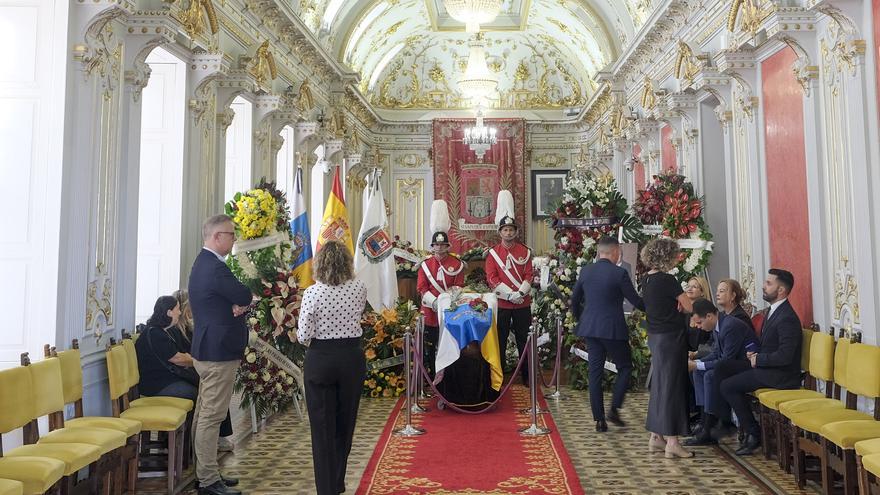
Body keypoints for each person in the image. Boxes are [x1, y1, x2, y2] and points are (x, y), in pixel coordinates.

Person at [188, 214, 253, 495]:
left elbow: (235, 299)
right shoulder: (215, 268)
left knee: (205, 413)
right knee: (211, 416)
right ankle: (207, 480)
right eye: (230, 234)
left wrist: (236, 304)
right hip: (217, 352)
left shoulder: (204, 263)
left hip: (208, 347)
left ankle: (206, 472)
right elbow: (244, 294)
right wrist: (239, 303)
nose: (234, 238)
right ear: (216, 237)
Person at [297, 240, 368, 495]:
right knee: (344, 424)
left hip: (321, 359)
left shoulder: (313, 293)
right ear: (347, 263)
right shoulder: (359, 287)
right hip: (350, 358)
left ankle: (326, 489)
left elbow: (304, 334)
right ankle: (337, 482)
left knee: (321, 427)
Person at [719, 268, 802, 455]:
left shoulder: (787, 317)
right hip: (766, 367)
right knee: (722, 366)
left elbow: (785, 356)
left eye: (769, 283)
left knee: (728, 386)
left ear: (781, 290)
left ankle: (752, 433)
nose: (764, 286)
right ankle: (718, 420)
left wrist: (759, 359)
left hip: (780, 375)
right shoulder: (773, 311)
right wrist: (753, 355)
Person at [570, 236, 645, 432]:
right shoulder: (619, 273)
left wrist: (582, 319)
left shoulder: (586, 271)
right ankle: (614, 409)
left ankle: (599, 420)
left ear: (598, 252)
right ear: (615, 252)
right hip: (612, 329)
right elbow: (636, 301)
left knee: (595, 372)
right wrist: (656, 307)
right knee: (625, 367)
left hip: (591, 329)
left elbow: (574, 299)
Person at [641, 238, 694, 458]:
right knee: (673, 387)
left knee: (660, 385)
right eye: (675, 255)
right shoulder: (668, 280)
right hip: (671, 337)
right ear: (667, 256)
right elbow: (689, 305)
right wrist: (681, 306)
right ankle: (673, 441)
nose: (677, 259)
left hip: (655, 336)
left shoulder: (646, 279)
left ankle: (656, 436)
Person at [683, 298, 757, 446]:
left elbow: (726, 361)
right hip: (730, 365)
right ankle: (705, 421)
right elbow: (716, 353)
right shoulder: (718, 325)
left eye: (699, 322)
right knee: (698, 372)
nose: (698, 327)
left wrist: (698, 365)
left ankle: (712, 424)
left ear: (709, 316)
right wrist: (697, 363)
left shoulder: (729, 326)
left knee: (710, 375)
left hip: (746, 365)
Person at [172, 289, 234, 452]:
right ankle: (205, 439)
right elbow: (180, 358)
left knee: (218, 385)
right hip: (183, 373)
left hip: (194, 369)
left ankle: (218, 435)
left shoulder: (191, 326)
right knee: (213, 387)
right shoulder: (176, 330)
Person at [485, 190, 533, 385]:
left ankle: (527, 376)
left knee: (524, 340)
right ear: (500, 232)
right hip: (503, 304)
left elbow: (529, 274)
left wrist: (520, 292)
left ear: (516, 232)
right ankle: (500, 376)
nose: (509, 233)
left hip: (522, 302)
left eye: (511, 230)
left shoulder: (525, 251)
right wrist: (510, 295)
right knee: (500, 341)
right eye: (505, 230)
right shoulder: (493, 254)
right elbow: (491, 277)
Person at [417, 200, 466, 377]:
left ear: (447, 246)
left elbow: (459, 285)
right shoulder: (425, 264)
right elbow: (422, 287)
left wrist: (446, 301)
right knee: (430, 345)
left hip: (450, 311)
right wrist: (435, 302)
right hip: (430, 312)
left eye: (443, 245)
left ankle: (450, 375)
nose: (439, 248)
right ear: (432, 246)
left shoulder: (457, 264)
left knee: (450, 344)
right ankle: (430, 375)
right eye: (436, 245)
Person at [684, 276, 712, 352]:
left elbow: (712, 342)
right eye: (688, 286)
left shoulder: (709, 313)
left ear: (702, 292)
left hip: (703, 357)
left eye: (694, 287)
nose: (689, 289)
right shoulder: (684, 313)